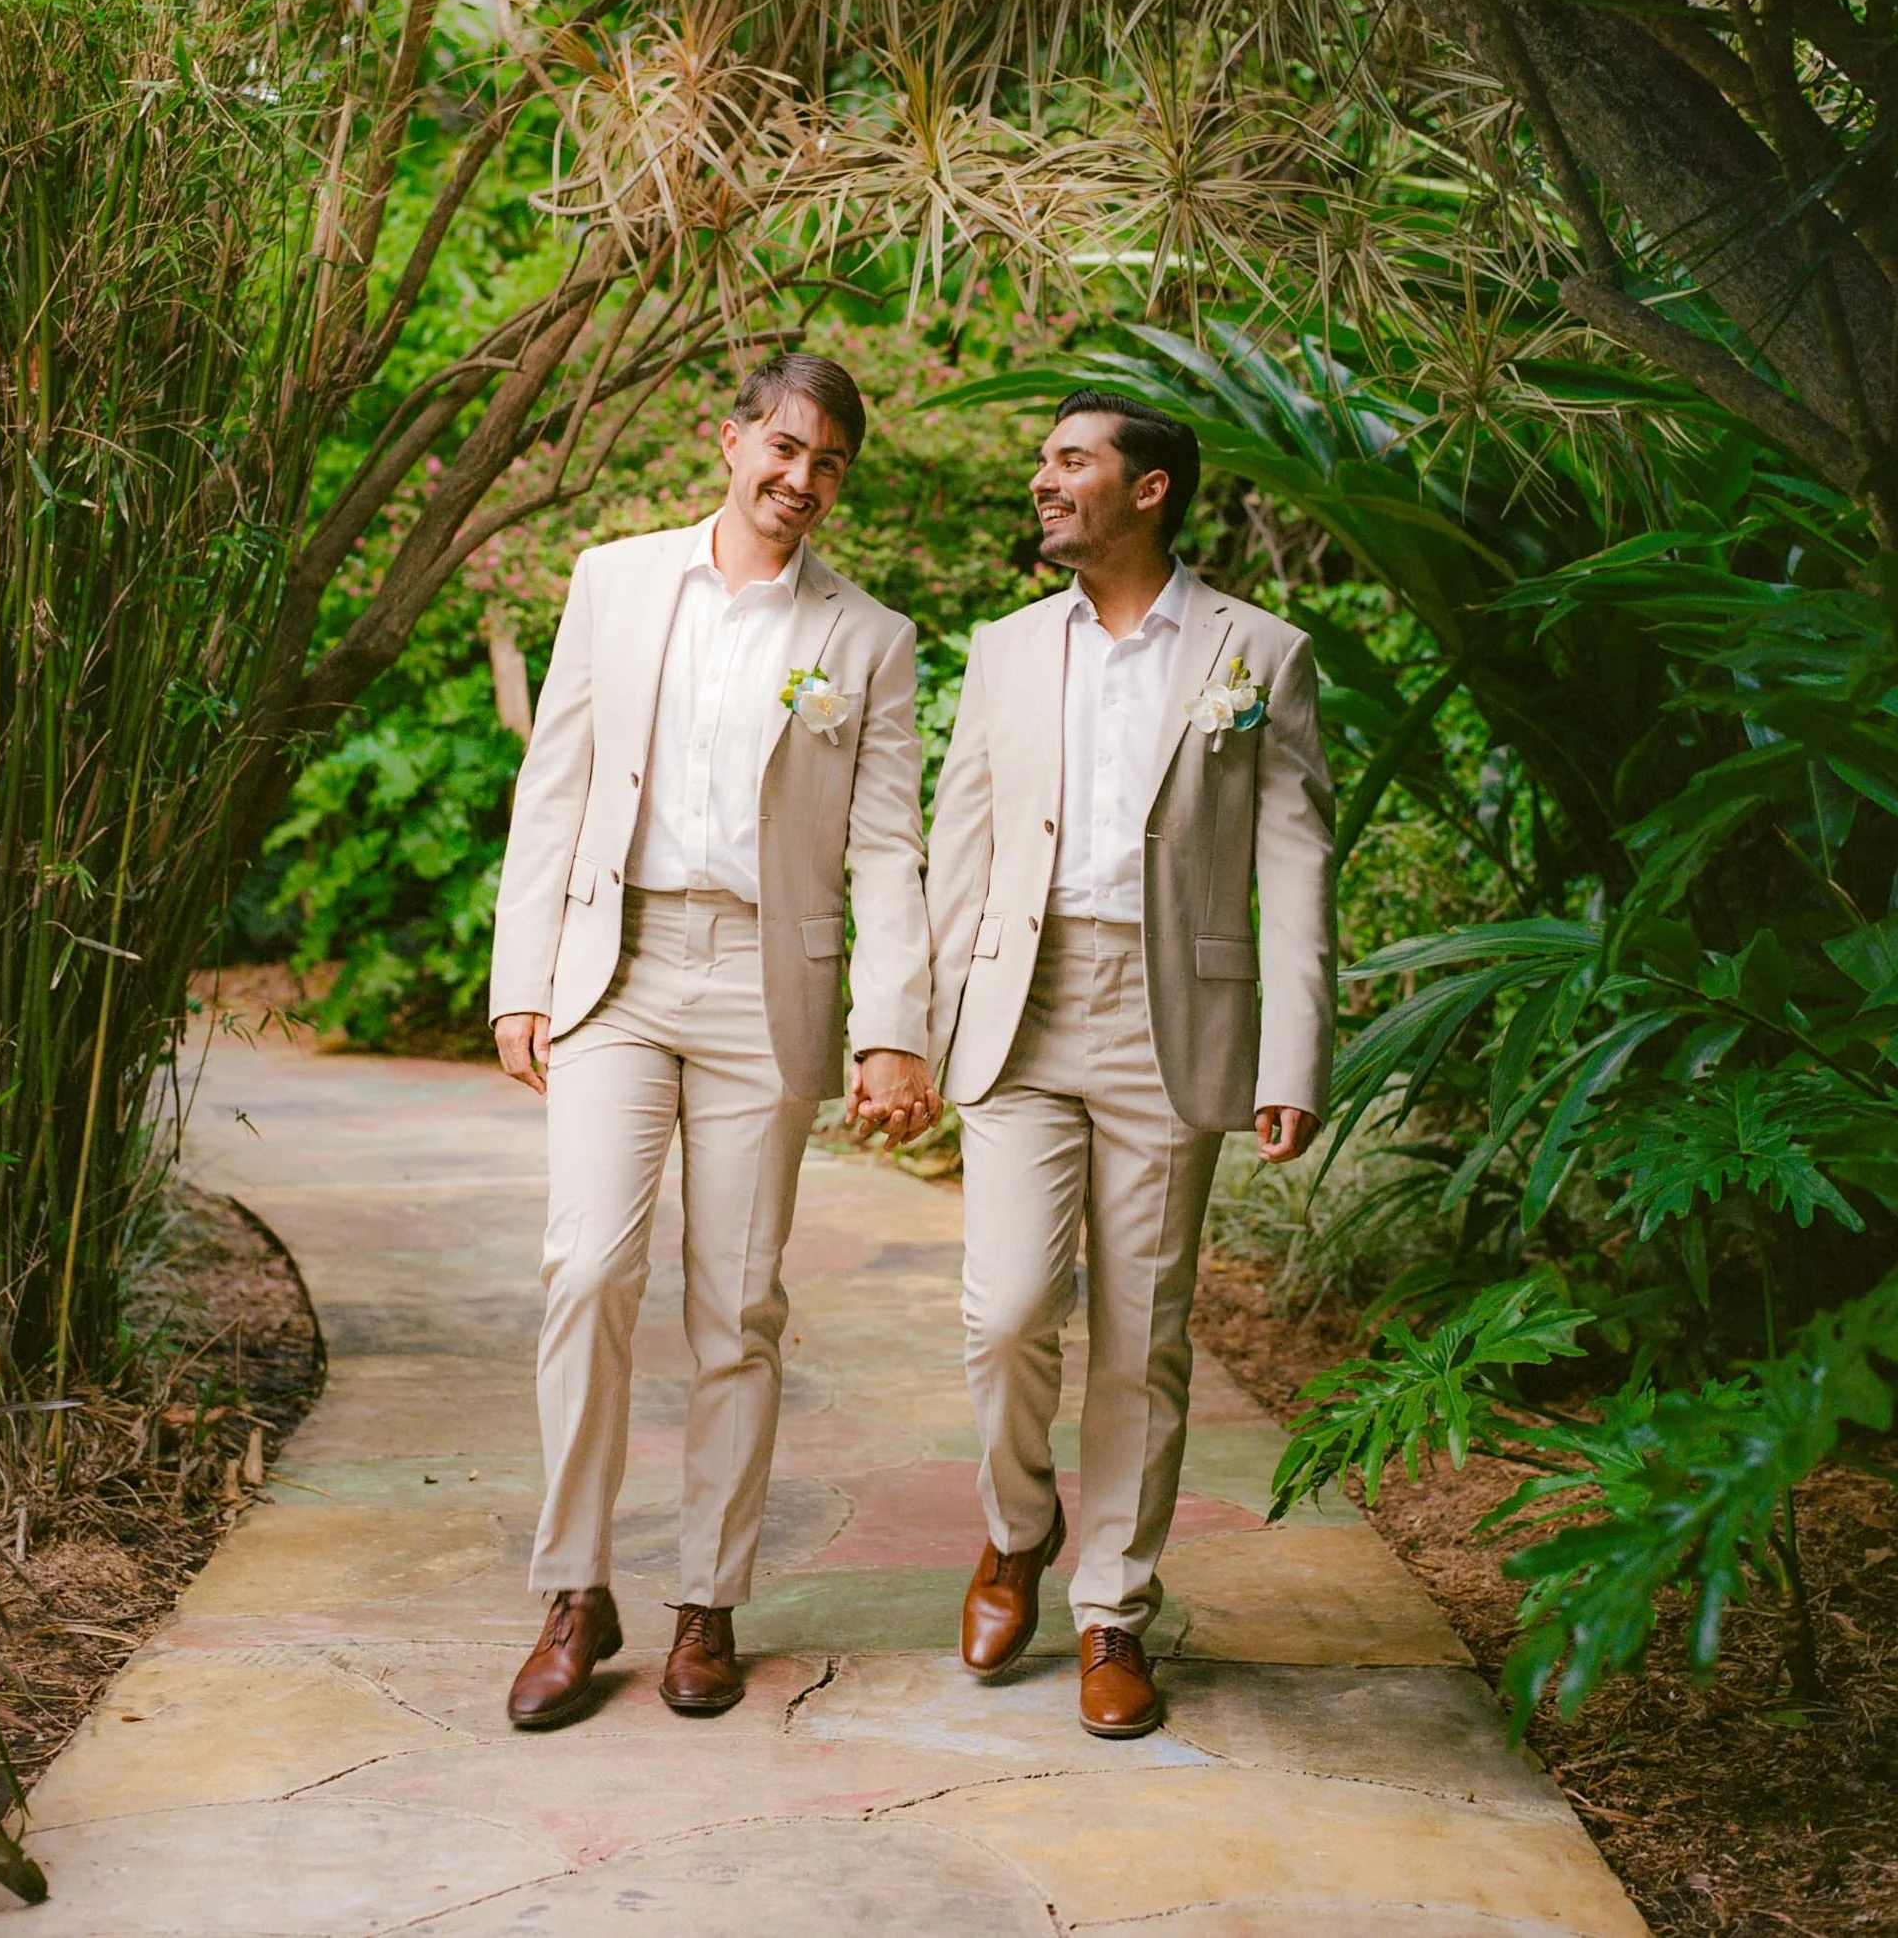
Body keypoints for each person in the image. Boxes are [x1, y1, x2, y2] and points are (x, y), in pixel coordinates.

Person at [488, 354, 938, 1728]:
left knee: (738, 1305)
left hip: (765, 982)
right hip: (615, 965)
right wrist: (521, 977)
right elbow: (554, 781)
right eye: (786, 450)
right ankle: (574, 1591)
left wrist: (891, 1031)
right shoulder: (615, 581)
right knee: (585, 1268)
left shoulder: (871, 640)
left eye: (831, 467)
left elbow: (886, 845)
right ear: (731, 437)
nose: (802, 482)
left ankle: (705, 1601)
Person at [924, 389, 1336, 1738]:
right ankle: (1016, 1528)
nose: (1042, 479)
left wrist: (1295, 1048)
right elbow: (963, 845)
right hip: (1025, 1009)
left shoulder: (1257, 652)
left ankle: (1113, 1609)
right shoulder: (1002, 647)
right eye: (1042, 458)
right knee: (1006, 1307)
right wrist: (921, 1027)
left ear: (1148, 488)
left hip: (1176, 1019)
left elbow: (1295, 858)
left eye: (1069, 459)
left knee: (1144, 1332)